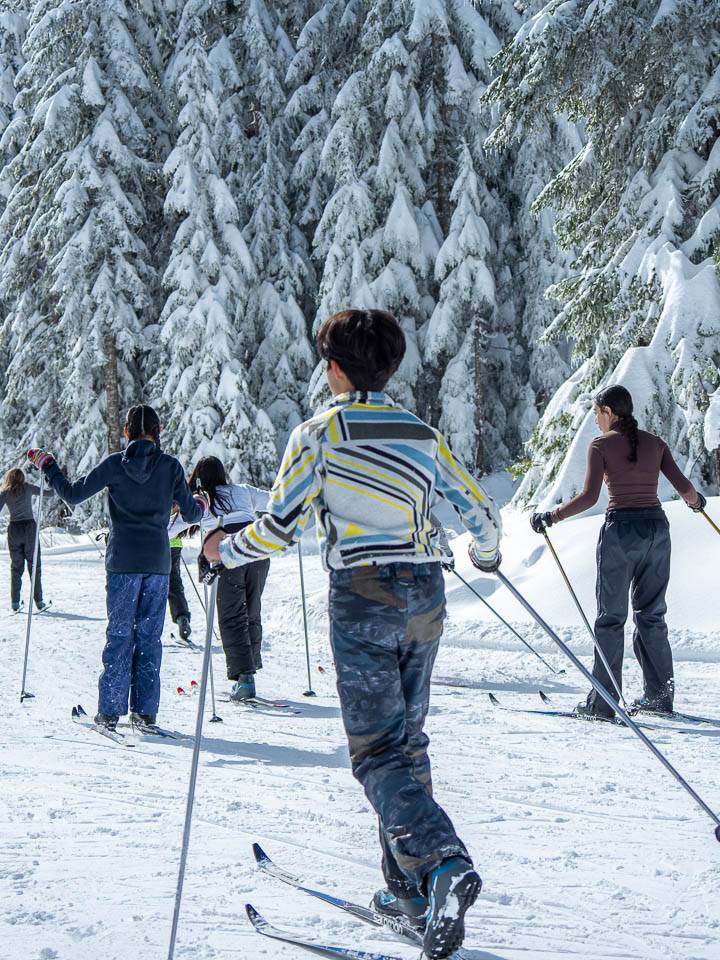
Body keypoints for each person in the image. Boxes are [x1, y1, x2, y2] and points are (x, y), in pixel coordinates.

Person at [203, 308, 502, 959]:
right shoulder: (421, 433)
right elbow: (478, 510)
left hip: (363, 594)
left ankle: (442, 862)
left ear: (335, 368)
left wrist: (222, 550)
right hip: (425, 591)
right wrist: (486, 555)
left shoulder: (319, 433)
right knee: (406, 744)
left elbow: (278, 527)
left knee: (375, 754)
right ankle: (411, 893)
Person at [27, 404, 207, 732]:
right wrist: (201, 502)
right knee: (149, 636)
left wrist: (48, 465)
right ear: (158, 432)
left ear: (127, 431)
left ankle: (110, 711)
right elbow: (192, 515)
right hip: (157, 564)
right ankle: (145, 712)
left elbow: (73, 494)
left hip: (123, 562)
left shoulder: (115, 464)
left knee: (121, 633)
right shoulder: (170, 467)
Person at [530, 384, 704, 719]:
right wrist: (697, 503)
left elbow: (589, 497)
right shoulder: (655, 443)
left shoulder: (600, 445)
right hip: (657, 530)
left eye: (597, 413)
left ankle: (604, 703)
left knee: (610, 619)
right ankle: (659, 697)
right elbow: (685, 489)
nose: (596, 420)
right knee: (651, 615)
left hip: (621, 533)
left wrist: (551, 516)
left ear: (609, 412)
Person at [189, 457, 270, 701]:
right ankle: (250, 667)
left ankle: (245, 679)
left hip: (228, 554)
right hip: (257, 552)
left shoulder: (203, 500)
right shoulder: (243, 490)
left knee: (232, 615)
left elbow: (175, 524)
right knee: (251, 610)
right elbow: (275, 500)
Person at [0, 468, 50, 612]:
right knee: (34, 565)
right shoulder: (28, 488)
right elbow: (49, 493)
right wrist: (50, 481)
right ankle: (39, 602)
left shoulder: (5, 492)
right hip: (29, 529)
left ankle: (15, 603)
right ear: (22, 478)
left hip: (14, 530)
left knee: (16, 567)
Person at [167, 503, 192, 642]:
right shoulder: (175, 492)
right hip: (174, 543)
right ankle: (182, 616)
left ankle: (147, 624)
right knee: (174, 582)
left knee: (152, 583)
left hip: (155, 542)